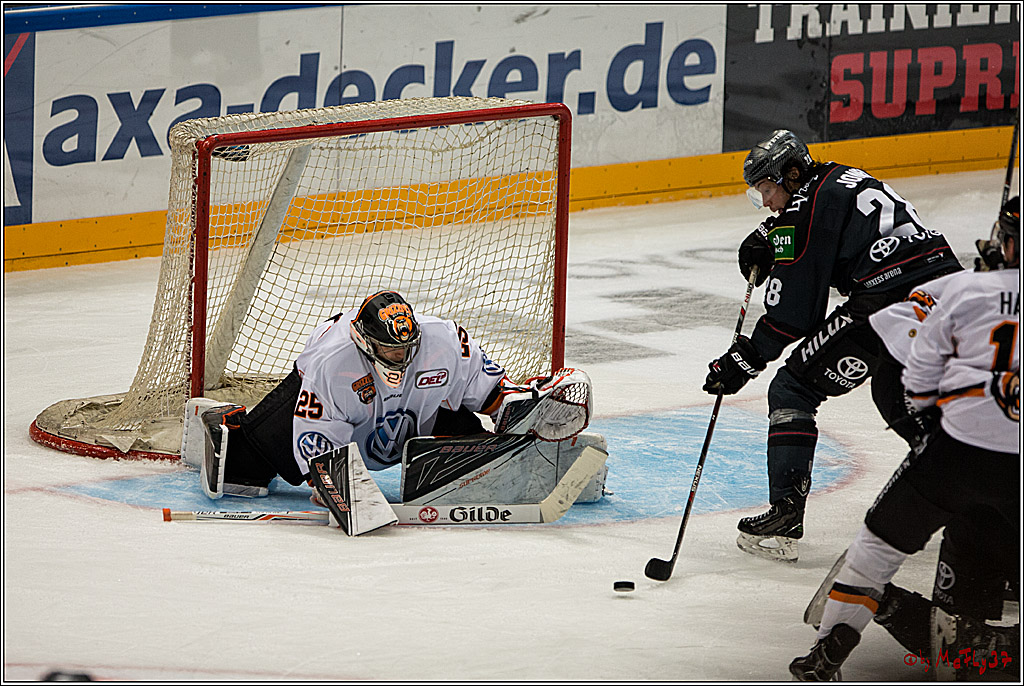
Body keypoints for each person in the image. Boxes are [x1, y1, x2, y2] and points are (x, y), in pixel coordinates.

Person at [702, 129, 962, 562]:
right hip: (950, 291)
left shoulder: (803, 212)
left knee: (792, 389)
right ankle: (978, 498)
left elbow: (795, 315)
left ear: (790, 174)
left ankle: (786, 511)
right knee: (901, 393)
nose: (766, 201)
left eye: (767, 190)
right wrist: (771, 234)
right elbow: (825, 215)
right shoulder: (839, 176)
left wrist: (744, 360)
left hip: (889, 300)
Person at [788, 197, 1020, 681]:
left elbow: (920, 375)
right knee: (978, 514)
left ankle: (834, 644)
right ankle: (965, 602)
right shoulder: (965, 287)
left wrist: (950, 422)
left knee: (885, 537)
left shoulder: (965, 287)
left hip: (950, 433)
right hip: (948, 413)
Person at [180, 290, 605, 504]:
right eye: (388, 349)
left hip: (416, 419)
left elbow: (490, 392)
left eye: (405, 348)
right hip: (338, 416)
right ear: (366, 342)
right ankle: (227, 429)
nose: (399, 356)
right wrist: (334, 485)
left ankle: (542, 465)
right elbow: (318, 445)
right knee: (243, 470)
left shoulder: (442, 339)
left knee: (483, 448)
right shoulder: (333, 363)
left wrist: (521, 407)